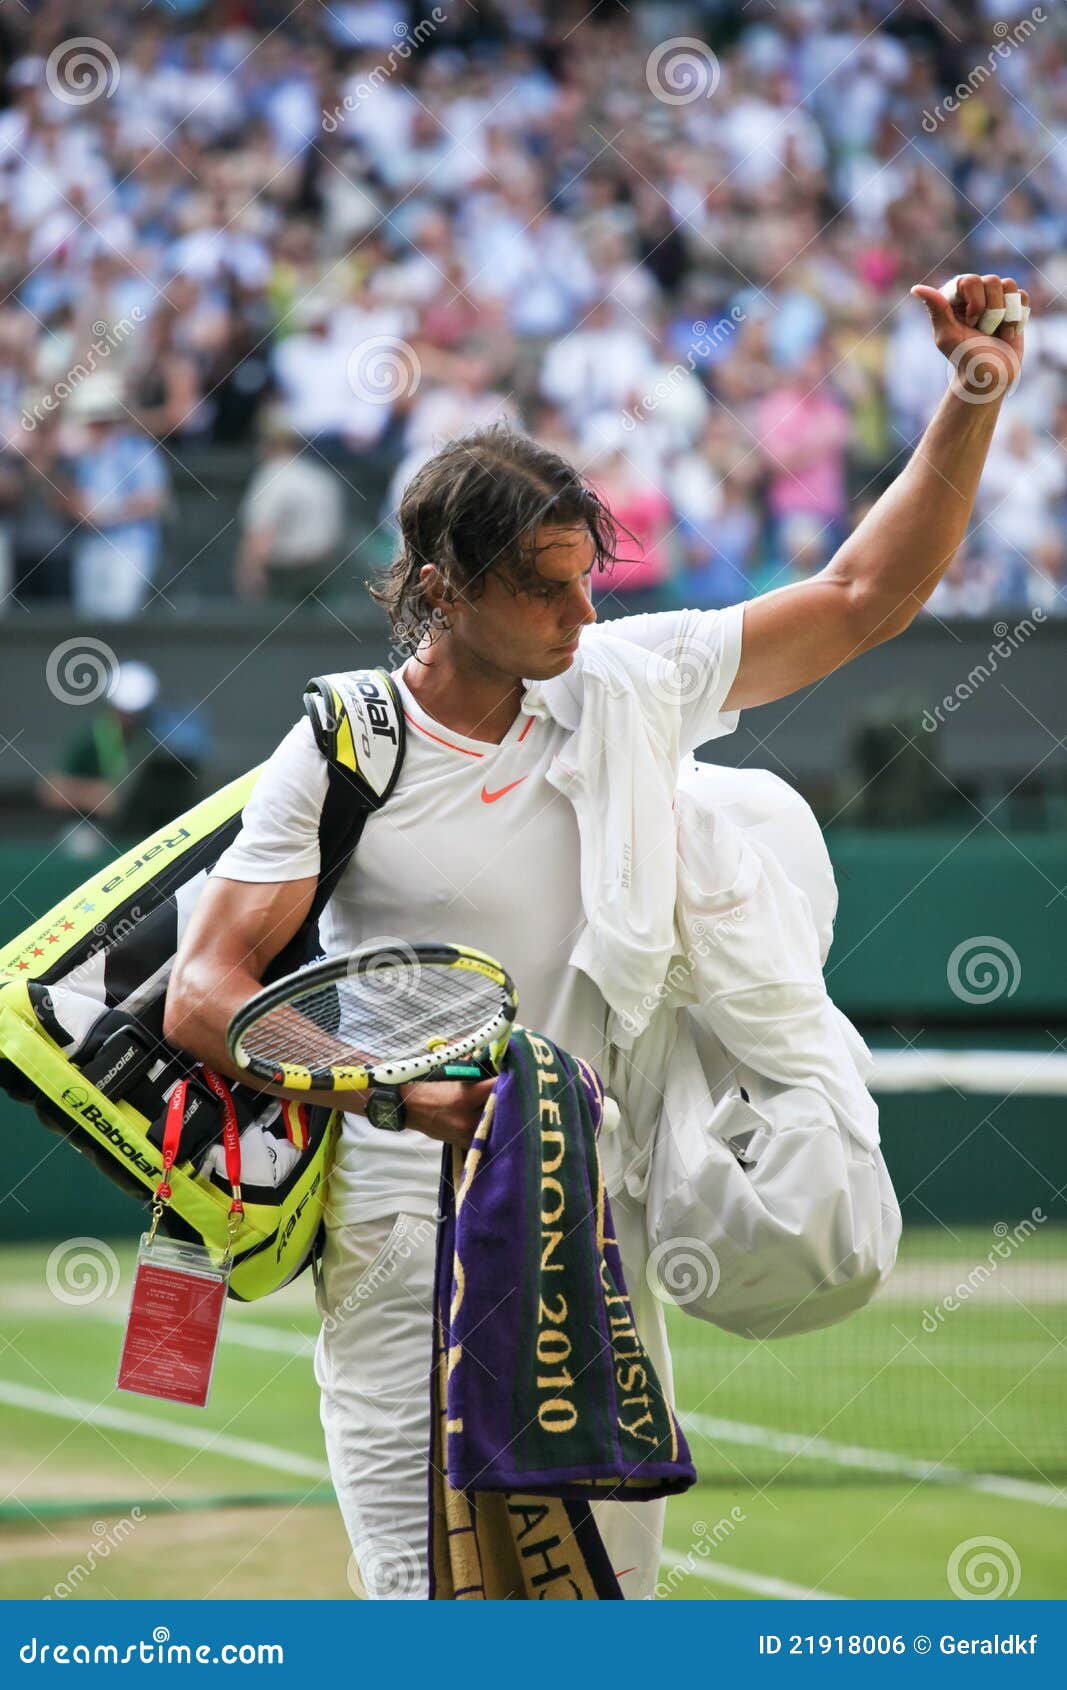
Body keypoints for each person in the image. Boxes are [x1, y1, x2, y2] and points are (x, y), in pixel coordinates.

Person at [164, 273, 1028, 1600]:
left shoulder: (622, 679)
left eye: (588, 583)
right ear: (445, 591)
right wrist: (401, 1091)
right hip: (406, 1223)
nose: (583, 617)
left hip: (589, 1215)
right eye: (548, 592)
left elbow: (860, 593)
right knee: (430, 1610)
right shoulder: (343, 742)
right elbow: (204, 993)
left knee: (597, 1620)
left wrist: (969, 397)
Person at [234, 408, 346, 604]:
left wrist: (249, 575)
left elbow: (261, 537)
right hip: (327, 576)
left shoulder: (272, 476)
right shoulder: (321, 476)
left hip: (285, 580)